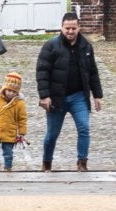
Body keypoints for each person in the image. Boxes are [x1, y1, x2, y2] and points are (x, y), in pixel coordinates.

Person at [35, 10, 104, 171]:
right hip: (56, 97)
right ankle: (47, 163)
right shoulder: (51, 46)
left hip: (79, 96)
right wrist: (44, 96)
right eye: (67, 28)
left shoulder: (86, 46)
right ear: (61, 28)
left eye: (73, 28)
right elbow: (42, 72)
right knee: (52, 134)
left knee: (84, 128)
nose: (70, 32)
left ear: (79, 27)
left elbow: (92, 71)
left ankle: (82, 162)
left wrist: (97, 95)